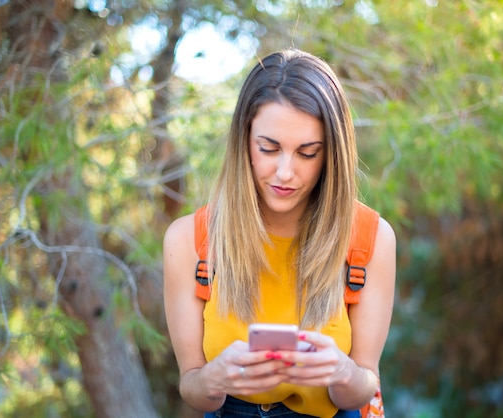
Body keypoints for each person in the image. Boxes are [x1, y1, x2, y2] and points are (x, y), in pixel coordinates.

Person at [163, 49, 396, 418]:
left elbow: (365, 382)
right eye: (269, 149)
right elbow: (191, 386)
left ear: (331, 154)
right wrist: (212, 379)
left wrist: (343, 372)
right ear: (244, 141)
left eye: (307, 153)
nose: (285, 173)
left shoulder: (370, 238)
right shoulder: (190, 241)